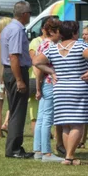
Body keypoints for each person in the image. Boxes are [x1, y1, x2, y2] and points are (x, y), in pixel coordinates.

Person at [34, 21, 88, 165]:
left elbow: (37, 61)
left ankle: (68, 156)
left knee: (65, 124)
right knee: (78, 124)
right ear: (74, 33)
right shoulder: (80, 45)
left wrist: (52, 71)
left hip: (60, 88)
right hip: (77, 87)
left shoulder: (54, 48)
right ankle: (69, 156)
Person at [1, 2, 33, 159]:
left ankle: (13, 147)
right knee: (18, 112)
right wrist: (19, 80)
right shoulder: (17, 30)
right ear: (24, 14)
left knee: (15, 110)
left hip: (10, 72)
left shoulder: (9, 28)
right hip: (16, 72)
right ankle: (14, 149)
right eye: (30, 12)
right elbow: (14, 56)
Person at [33, 18, 63, 162]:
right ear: (52, 31)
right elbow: (38, 64)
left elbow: (37, 68)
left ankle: (38, 150)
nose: (61, 34)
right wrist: (51, 72)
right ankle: (47, 153)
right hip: (50, 83)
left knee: (41, 117)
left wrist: (38, 87)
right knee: (47, 119)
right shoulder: (50, 46)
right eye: (59, 31)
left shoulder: (43, 43)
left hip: (44, 83)